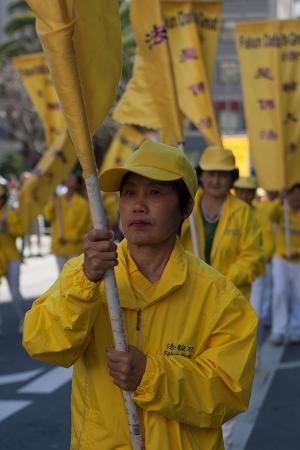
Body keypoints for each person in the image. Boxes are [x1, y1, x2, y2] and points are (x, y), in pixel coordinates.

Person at [23, 141, 257, 450]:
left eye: (156, 193)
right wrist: (85, 284)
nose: (138, 205)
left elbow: (229, 391)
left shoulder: (219, 295)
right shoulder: (84, 276)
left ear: (185, 208)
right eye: (130, 193)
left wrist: (150, 375)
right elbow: (43, 344)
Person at [181, 145, 264, 300]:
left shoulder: (243, 212)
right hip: (189, 291)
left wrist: (222, 281)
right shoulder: (186, 207)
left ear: (232, 178)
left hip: (230, 295)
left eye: (223, 175)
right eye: (211, 174)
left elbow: (252, 256)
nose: (216, 181)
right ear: (201, 176)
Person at [234, 176, 275, 353]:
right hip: (231, 274)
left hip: (256, 272)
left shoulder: (262, 214)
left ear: (253, 194)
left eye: (247, 191)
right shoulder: (228, 213)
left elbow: (268, 243)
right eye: (240, 191)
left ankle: (251, 355)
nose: (243, 195)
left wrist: (256, 259)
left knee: (253, 316)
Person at [268, 183, 300, 345]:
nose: (296, 198)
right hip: (280, 259)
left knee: (298, 296)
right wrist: (280, 196)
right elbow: (269, 215)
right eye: (293, 194)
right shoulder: (281, 211)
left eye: (298, 195)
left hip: (298, 262)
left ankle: (296, 329)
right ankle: (278, 331)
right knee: (279, 292)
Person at [43, 173, 92, 273]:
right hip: (58, 247)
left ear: (77, 184)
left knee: (75, 278)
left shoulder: (82, 204)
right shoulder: (58, 200)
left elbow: (82, 227)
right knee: (62, 278)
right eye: (67, 177)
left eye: (72, 178)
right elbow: (48, 216)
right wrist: (52, 200)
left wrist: (67, 238)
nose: (68, 179)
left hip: (74, 248)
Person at [0, 181, 26, 335]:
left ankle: (25, 318)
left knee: (15, 292)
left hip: (12, 257)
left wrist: (7, 228)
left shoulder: (10, 213)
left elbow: (20, 230)